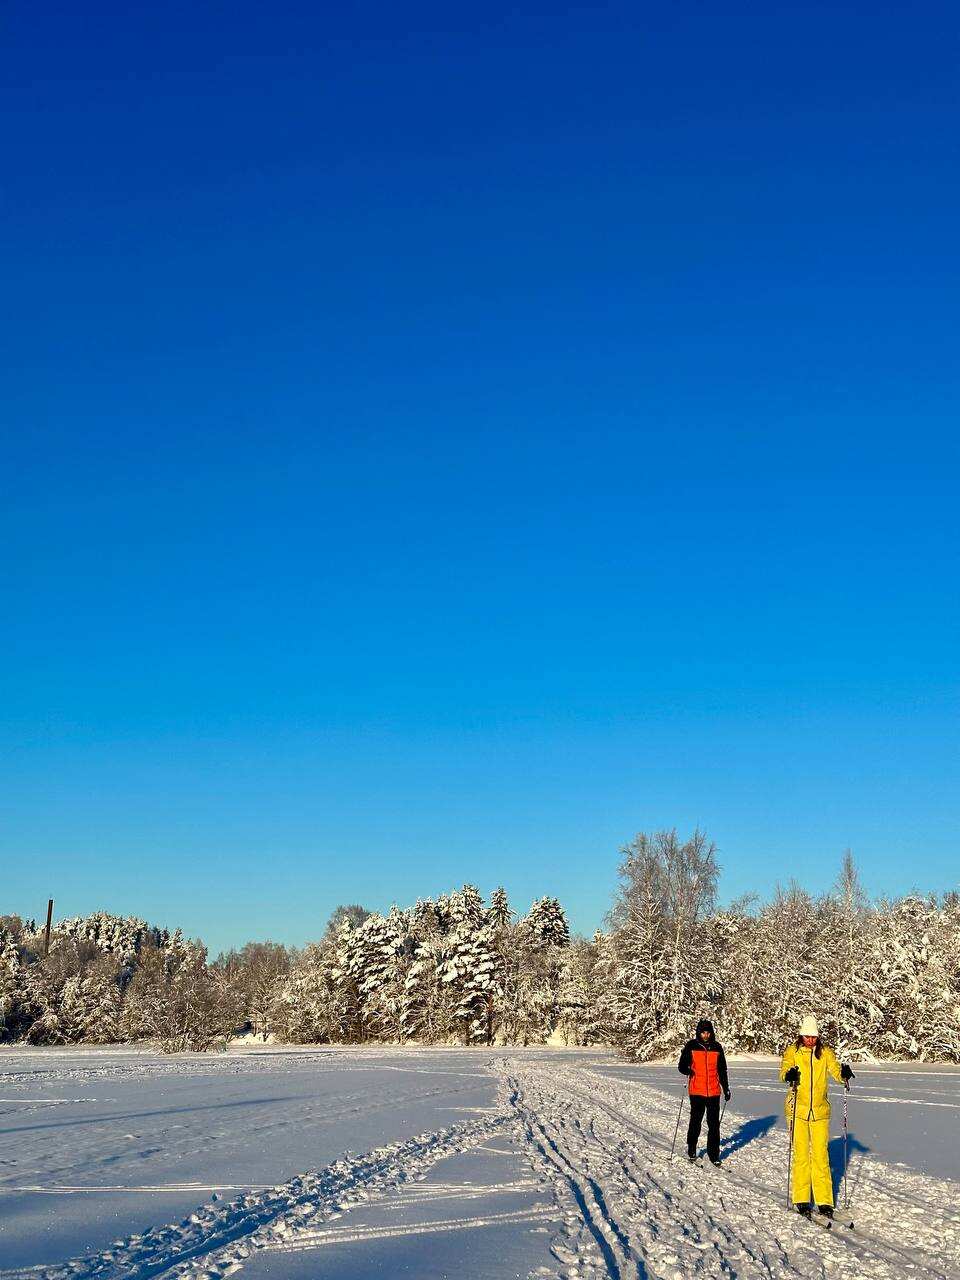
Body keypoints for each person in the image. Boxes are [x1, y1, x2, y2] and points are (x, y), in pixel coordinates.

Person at [780, 1014, 855, 1219]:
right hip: (797, 1110)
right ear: (801, 1035)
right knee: (802, 1155)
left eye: (814, 1037)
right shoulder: (793, 1052)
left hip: (820, 1112)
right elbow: (783, 1071)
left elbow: (835, 1071)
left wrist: (843, 1074)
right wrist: (789, 1075)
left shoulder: (826, 1053)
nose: (811, 1040)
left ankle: (824, 1201)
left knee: (821, 1156)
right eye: (807, 1036)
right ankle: (801, 1199)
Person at [677, 1017, 730, 1166]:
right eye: (703, 1032)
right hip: (697, 1091)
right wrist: (687, 1069)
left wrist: (726, 1088)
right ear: (699, 1033)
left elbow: (722, 1070)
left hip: (714, 1091)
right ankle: (692, 1148)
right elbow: (681, 1066)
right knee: (696, 1121)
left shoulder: (717, 1047)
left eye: (708, 1032)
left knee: (714, 1125)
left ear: (711, 1033)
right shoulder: (692, 1045)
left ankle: (714, 1154)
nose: (706, 1035)